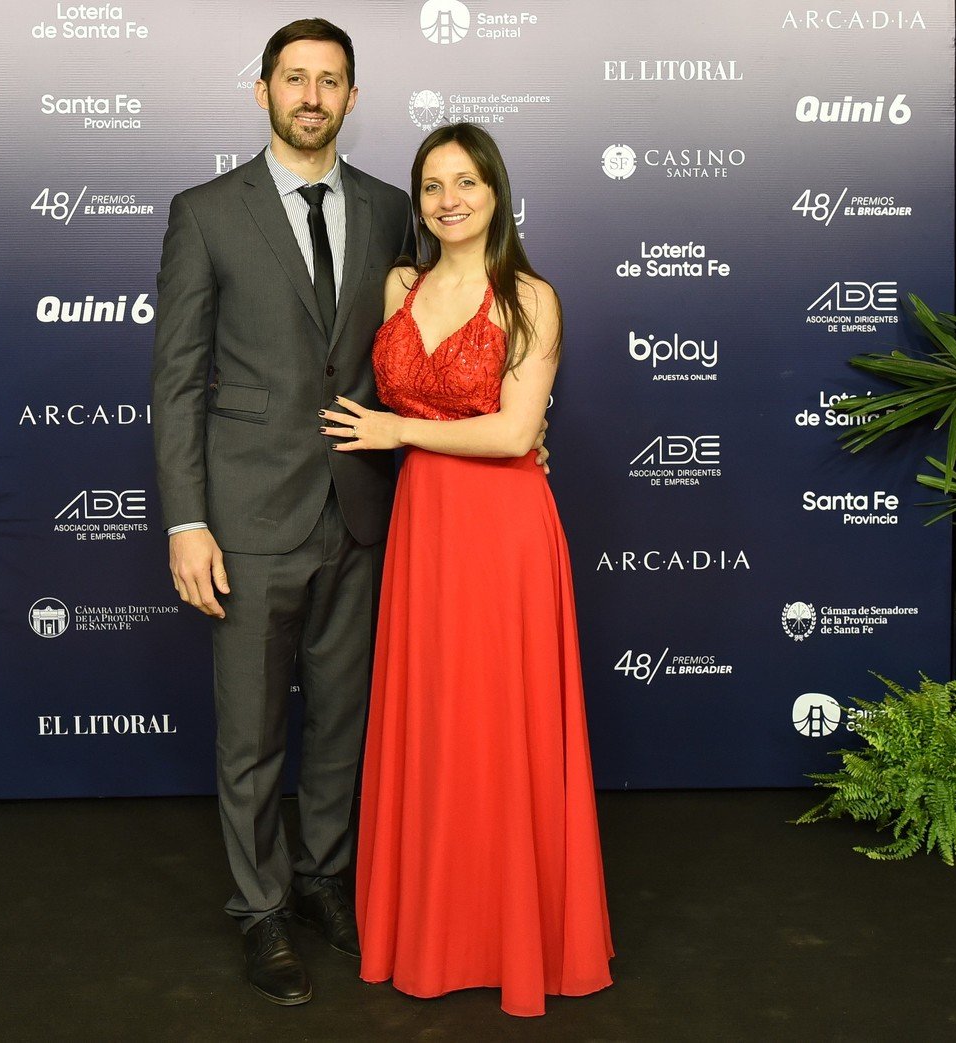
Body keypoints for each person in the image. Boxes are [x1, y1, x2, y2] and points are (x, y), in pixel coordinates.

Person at [321, 123, 614, 1017]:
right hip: (423, 528)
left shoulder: (531, 297)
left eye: (466, 182)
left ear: (496, 192)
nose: (449, 199)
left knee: (503, 725)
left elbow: (515, 433)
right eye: (432, 185)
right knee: (437, 722)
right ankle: (434, 928)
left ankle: (515, 937)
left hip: (504, 531)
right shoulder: (398, 284)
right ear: (419, 201)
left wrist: (398, 431)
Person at [150, 18, 413, 1006]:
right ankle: (260, 908)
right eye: (294, 78)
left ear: (352, 97)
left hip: (360, 509)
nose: (312, 94)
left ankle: (321, 879)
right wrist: (186, 520)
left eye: (330, 80)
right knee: (253, 730)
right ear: (259, 91)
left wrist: (514, 416)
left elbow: (437, 329)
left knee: (343, 720)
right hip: (248, 515)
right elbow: (176, 380)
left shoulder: (394, 208)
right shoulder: (206, 211)